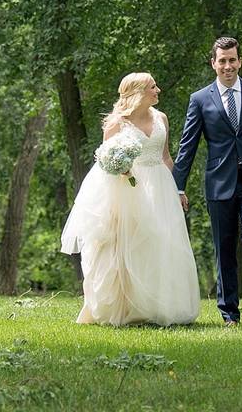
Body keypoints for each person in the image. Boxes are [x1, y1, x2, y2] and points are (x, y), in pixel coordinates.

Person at [61, 72, 200, 326]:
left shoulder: (162, 119)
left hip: (160, 187)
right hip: (127, 189)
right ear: (138, 93)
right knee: (128, 247)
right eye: (152, 86)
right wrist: (120, 168)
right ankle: (128, 307)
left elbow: (166, 157)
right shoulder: (116, 124)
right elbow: (106, 160)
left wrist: (177, 189)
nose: (158, 90)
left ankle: (158, 306)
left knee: (161, 243)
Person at [173, 37, 242, 326]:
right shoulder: (200, 99)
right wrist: (178, 185)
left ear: (240, 61)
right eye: (222, 60)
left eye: (232, 59)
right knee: (224, 247)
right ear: (213, 63)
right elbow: (188, 145)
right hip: (220, 182)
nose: (228, 65)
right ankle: (229, 314)